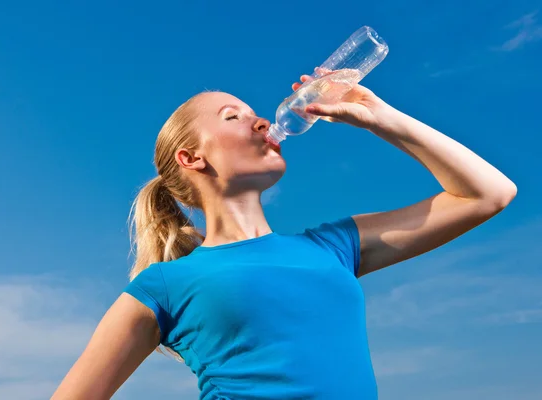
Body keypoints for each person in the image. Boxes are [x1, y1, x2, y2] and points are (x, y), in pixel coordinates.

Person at [51, 72, 517, 400]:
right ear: (191, 158)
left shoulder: (332, 247)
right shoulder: (163, 287)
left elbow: (488, 194)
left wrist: (379, 116)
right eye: (233, 117)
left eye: (255, 114)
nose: (259, 122)